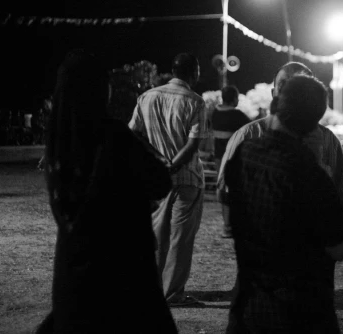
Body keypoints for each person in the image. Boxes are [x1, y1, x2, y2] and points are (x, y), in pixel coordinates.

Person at [36, 50, 177, 334]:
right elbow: (160, 180)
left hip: (74, 275)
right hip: (121, 275)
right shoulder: (114, 136)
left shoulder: (57, 146)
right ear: (98, 89)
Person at [225, 75, 343, 333]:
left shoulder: (244, 152)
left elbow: (229, 203)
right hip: (299, 311)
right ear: (316, 119)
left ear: (277, 104)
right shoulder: (310, 175)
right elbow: (338, 249)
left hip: (249, 304)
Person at [217, 62, 343, 238]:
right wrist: (231, 227)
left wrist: (334, 235)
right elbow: (226, 189)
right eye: (284, 85)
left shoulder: (329, 141)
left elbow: (339, 195)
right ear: (274, 93)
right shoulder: (246, 135)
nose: (291, 91)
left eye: (298, 86)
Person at [129, 52, 208, 307]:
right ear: (194, 72)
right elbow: (193, 144)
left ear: (173, 71)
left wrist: (155, 162)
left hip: (154, 180)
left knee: (156, 236)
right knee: (180, 240)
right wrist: (173, 167)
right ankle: (172, 294)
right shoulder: (195, 101)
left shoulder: (147, 97)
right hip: (186, 179)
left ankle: (149, 289)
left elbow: (134, 135)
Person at [208, 85, 251, 165]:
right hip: (233, 159)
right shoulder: (238, 115)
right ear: (234, 99)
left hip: (218, 159)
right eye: (237, 98)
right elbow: (253, 129)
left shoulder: (215, 113)